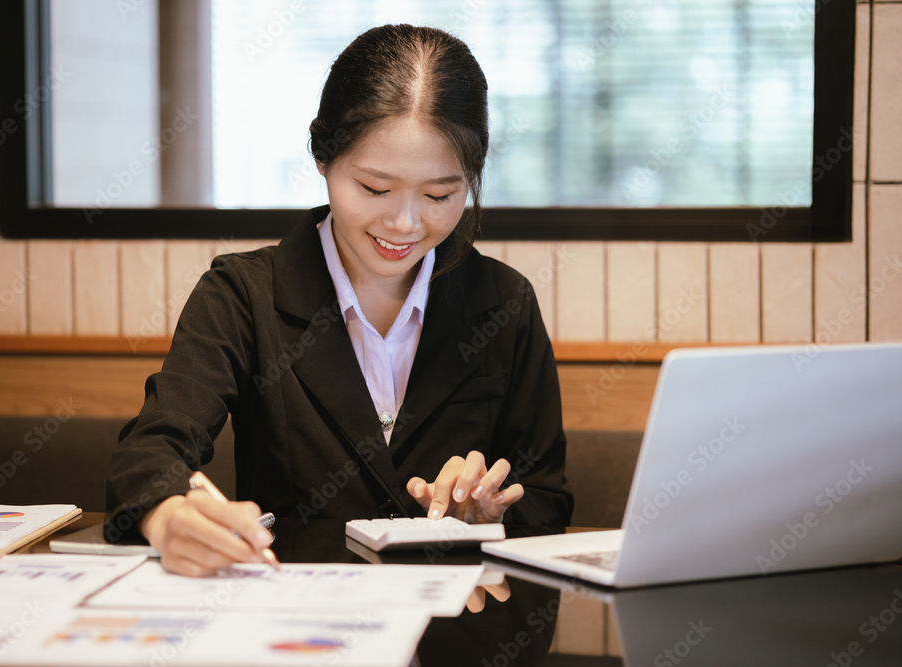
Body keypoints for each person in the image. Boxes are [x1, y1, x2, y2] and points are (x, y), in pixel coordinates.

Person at [105, 24, 573, 577]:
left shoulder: (504, 303)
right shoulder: (243, 295)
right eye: (375, 189)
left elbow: (545, 497)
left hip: (457, 634)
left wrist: (489, 515)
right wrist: (167, 514)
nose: (404, 223)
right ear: (322, 157)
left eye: (440, 194)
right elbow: (151, 450)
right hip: (295, 635)